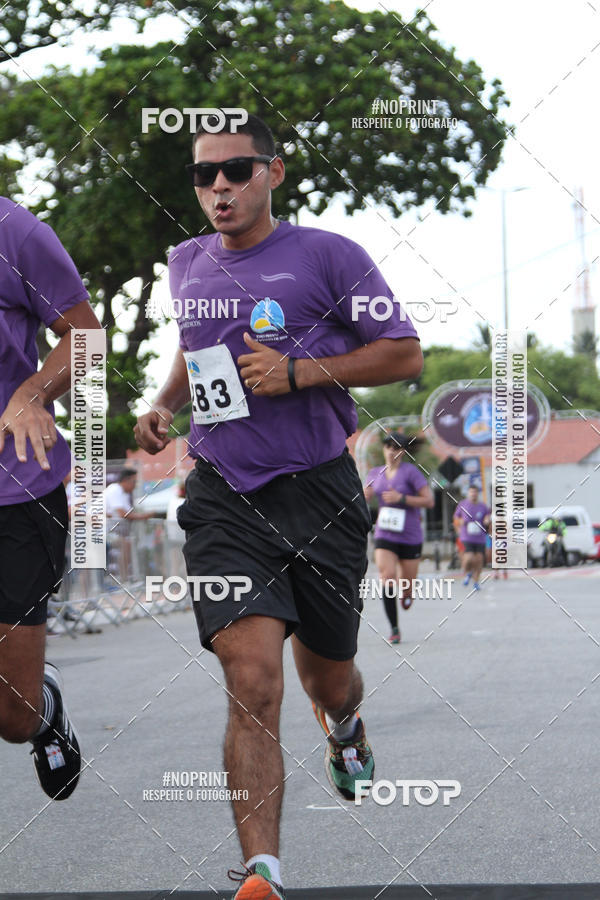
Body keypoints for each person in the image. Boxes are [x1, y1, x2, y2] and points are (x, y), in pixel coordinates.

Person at [134, 112, 423, 899]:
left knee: (330, 681)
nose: (219, 187)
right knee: (252, 677)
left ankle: (348, 729)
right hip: (225, 495)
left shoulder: (329, 256)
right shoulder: (186, 262)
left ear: (274, 173)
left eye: (236, 170)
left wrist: (299, 373)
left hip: (322, 491)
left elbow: (402, 353)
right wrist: (162, 402)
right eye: (204, 175)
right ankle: (263, 873)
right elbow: (195, 352)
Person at [0, 196, 102, 798]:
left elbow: (85, 337)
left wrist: (32, 393)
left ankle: (43, 708)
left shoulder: (16, 232)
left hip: (15, 491)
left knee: (11, 716)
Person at [364, 432, 434, 643]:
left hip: (410, 535)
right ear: (384, 450)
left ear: (403, 452)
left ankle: (408, 592)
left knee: (407, 585)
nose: (392, 451)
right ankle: (394, 628)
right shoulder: (375, 473)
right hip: (385, 533)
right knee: (387, 576)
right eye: (388, 447)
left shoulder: (411, 472)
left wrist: (400, 498)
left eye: (396, 448)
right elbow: (363, 496)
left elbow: (429, 501)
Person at [104, 467, 154, 581]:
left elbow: (127, 514)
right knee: (126, 545)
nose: (135, 485)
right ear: (126, 480)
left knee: (127, 544)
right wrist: (143, 516)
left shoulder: (124, 494)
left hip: (109, 531)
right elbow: (123, 514)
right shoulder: (115, 489)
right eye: (134, 481)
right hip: (100, 531)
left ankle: (124, 579)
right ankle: (123, 580)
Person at [453, 484, 491, 590]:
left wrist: (487, 520)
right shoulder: (462, 505)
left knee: (479, 559)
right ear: (468, 493)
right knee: (469, 558)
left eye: (475, 492)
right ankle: (467, 573)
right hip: (466, 537)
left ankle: (476, 581)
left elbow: (487, 517)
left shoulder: (483, 506)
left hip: (479, 537)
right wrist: (461, 523)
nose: (473, 494)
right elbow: (456, 518)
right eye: (471, 492)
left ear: (477, 493)